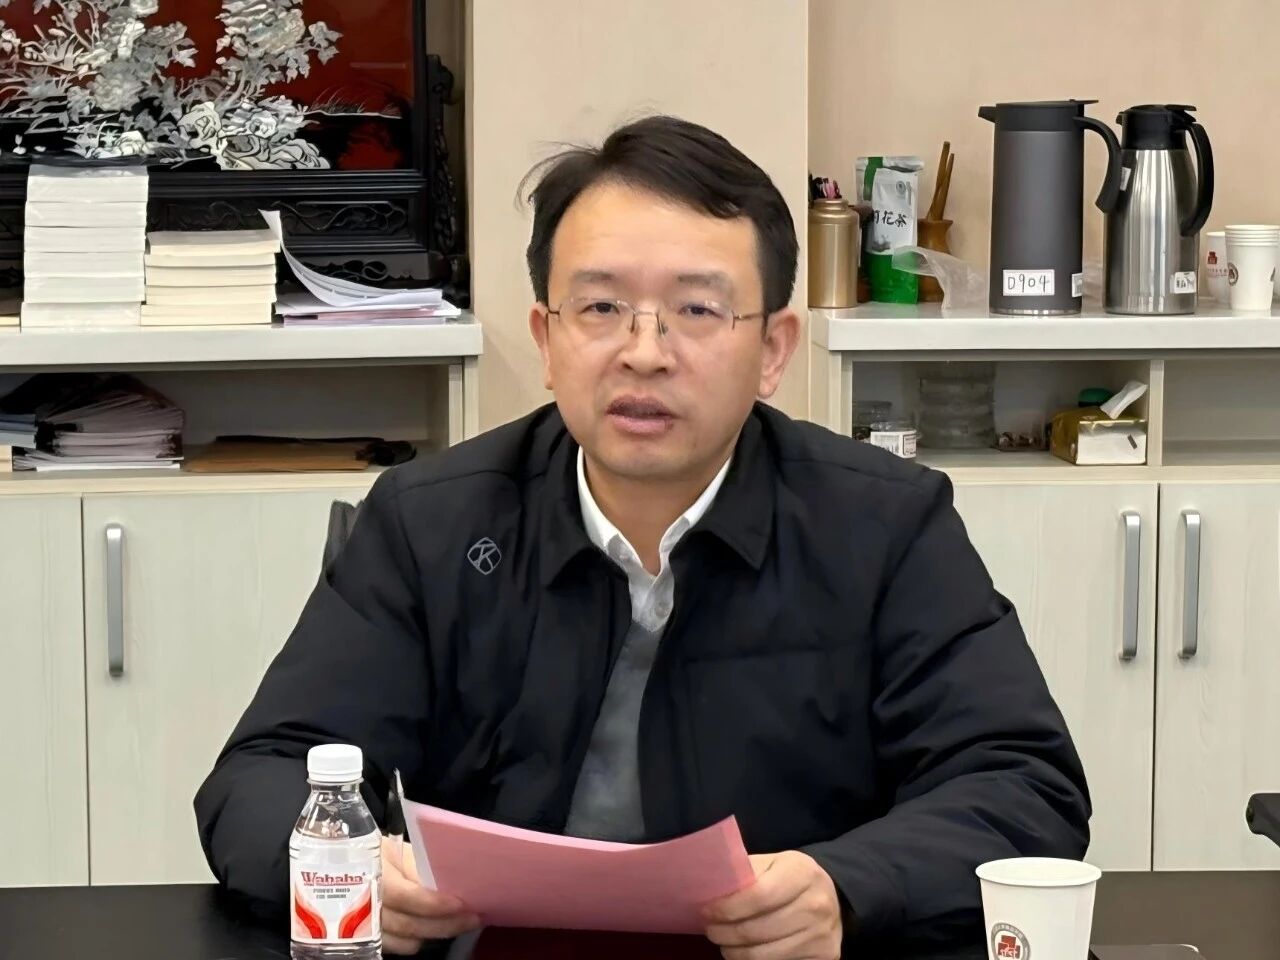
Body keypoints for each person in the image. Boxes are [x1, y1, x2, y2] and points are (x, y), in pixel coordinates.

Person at [196, 116, 1090, 959]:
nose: (644, 352)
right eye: (600, 308)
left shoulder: (884, 526)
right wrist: (350, 869)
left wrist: (845, 886)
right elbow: (262, 776)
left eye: (697, 311)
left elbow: (1021, 785)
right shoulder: (430, 522)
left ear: (774, 350)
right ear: (546, 340)